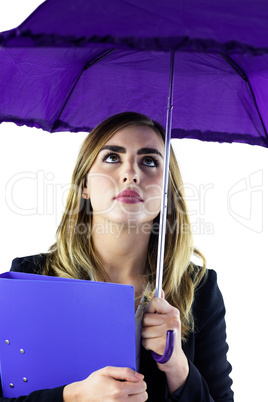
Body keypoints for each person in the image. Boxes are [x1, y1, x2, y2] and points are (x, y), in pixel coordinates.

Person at [1, 112, 234, 401]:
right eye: (112, 157)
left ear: (167, 192)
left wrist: (177, 367)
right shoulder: (30, 277)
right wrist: (72, 396)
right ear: (84, 185)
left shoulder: (199, 288)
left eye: (149, 161)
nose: (131, 174)